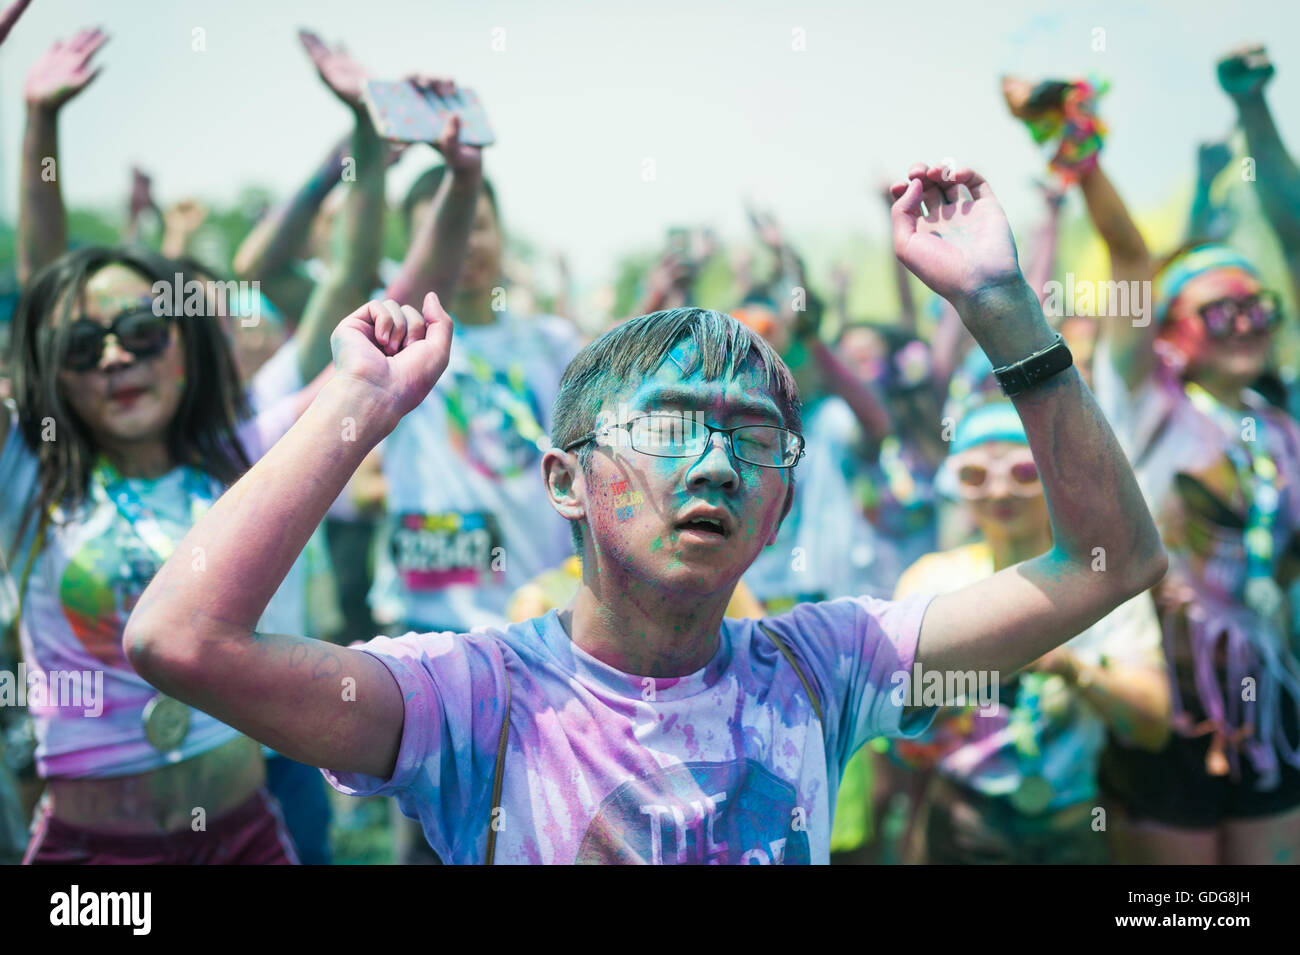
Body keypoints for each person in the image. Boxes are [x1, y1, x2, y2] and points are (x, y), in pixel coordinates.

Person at [124, 162, 1167, 865]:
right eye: (669, 427)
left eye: (753, 436)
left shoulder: (830, 667)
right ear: (564, 481)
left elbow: (1108, 564)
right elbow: (180, 640)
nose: (715, 459)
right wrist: (358, 404)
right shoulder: (470, 699)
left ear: (780, 508)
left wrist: (1001, 310)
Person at [3, 247, 315, 863]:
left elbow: (381, 349)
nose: (116, 357)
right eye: (82, 346)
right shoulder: (25, 475)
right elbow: (38, 257)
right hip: (93, 857)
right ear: (52, 369)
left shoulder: (242, 455)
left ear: (185, 342)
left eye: (142, 332)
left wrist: (457, 182)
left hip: (245, 837)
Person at [837, 400, 1170, 864]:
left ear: (1055, 478)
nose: (999, 491)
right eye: (975, 475)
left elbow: (1154, 725)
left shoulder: (1102, 584)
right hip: (963, 821)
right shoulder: (932, 581)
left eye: (1023, 472)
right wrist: (958, 693)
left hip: (1072, 822)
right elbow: (898, 740)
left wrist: (1068, 668)